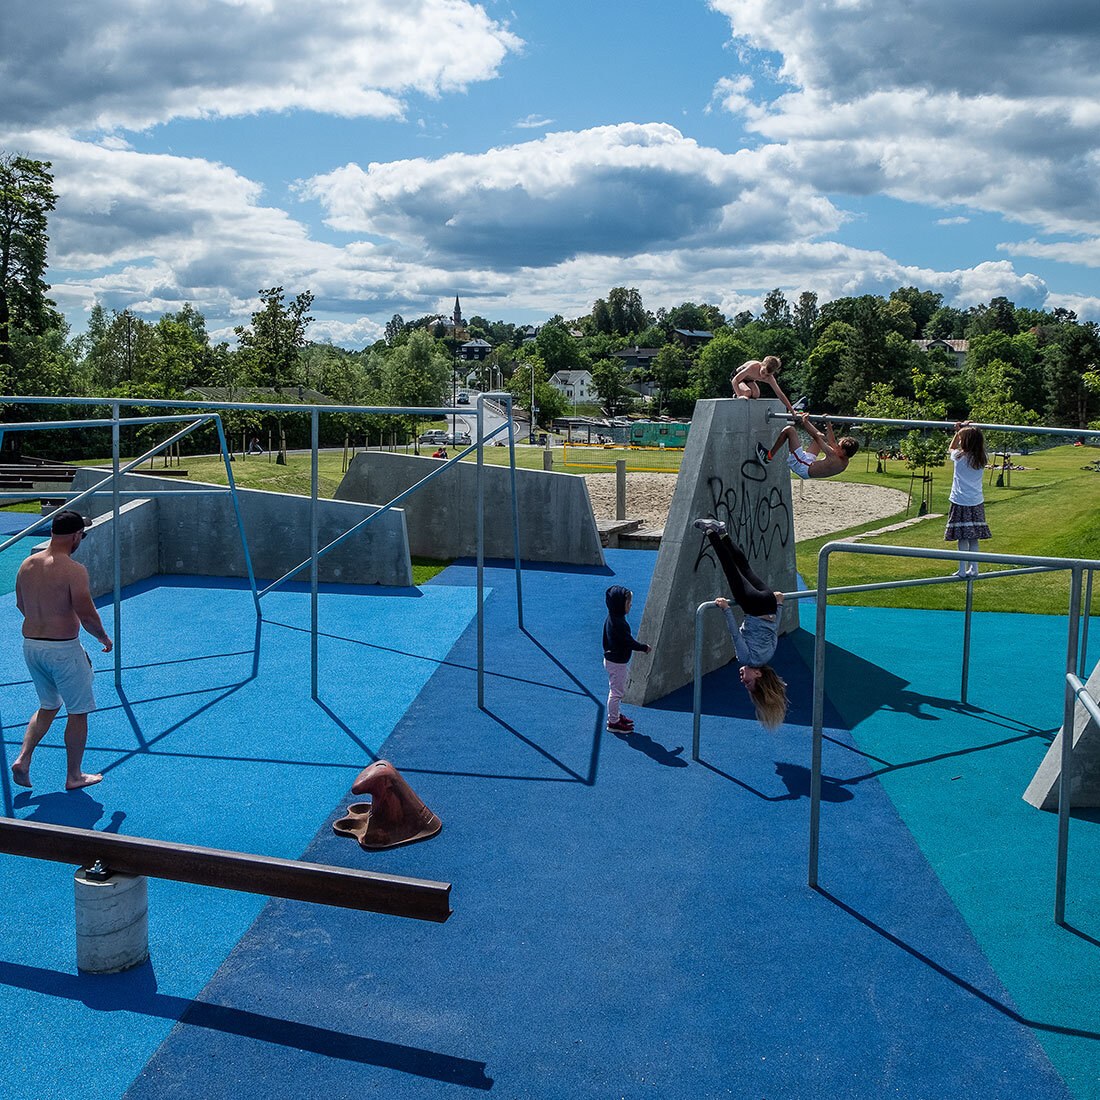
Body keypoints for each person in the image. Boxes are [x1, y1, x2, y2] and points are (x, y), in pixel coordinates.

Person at [10, 510, 113, 791]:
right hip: (62, 650)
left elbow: (21, 605)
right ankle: (74, 775)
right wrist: (103, 638)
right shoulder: (73, 570)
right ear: (76, 535)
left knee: (48, 704)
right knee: (78, 711)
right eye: (82, 534)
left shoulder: (27, 564)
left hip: (31, 646)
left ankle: (23, 758)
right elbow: (87, 614)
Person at [692, 518, 788, 731]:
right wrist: (726, 609)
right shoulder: (746, 658)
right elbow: (735, 635)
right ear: (758, 675)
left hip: (769, 603)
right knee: (731, 569)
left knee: (745, 567)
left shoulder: (768, 655)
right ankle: (710, 531)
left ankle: (723, 532)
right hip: (753, 606)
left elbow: (774, 631)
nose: (742, 679)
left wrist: (779, 604)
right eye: (748, 682)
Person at [945, 421, 991, 577]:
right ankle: (975, 568)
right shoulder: (982, 457)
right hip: (976, 500)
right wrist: (965, 430)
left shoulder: (959, 456)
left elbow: (950, 448)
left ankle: (962, 569)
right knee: (973, 537)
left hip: (960, 501)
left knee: (962, 537)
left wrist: (958, 431)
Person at [603, 585, 650, 734]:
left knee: (618, 690)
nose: (630, 606)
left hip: (614, 660)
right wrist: (644, 647)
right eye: (628, 604)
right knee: (616, 693)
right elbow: (628, 642)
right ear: (619, 605)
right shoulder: (619, 624)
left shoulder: (613, 617)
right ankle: (613, 722)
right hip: (617, 663)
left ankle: (615, 715)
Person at [758, 412, 859, 479]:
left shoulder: (834, 458)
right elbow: (831, 441)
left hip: (802, 466)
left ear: (844, 451)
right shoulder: (845, 460)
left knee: (789, 430)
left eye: (839, 446)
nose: (836, 446)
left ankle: (768, 456)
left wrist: (805, 422)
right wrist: (828, 424)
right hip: (809, 464)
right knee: (822, 436)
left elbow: (816, 437)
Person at [730, 355, 798, 413]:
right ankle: (736, 395)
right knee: (747, 392)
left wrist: (792, 411)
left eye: (767, 375)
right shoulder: (753, 367)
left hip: (749, 380)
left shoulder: (770, 378)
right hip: (737, 378)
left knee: (756, 394)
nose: (763, 377)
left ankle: (744, 394)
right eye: (763, 372)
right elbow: (735, 380)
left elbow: (780, 394)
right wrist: (739, 396)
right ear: (761, 364)